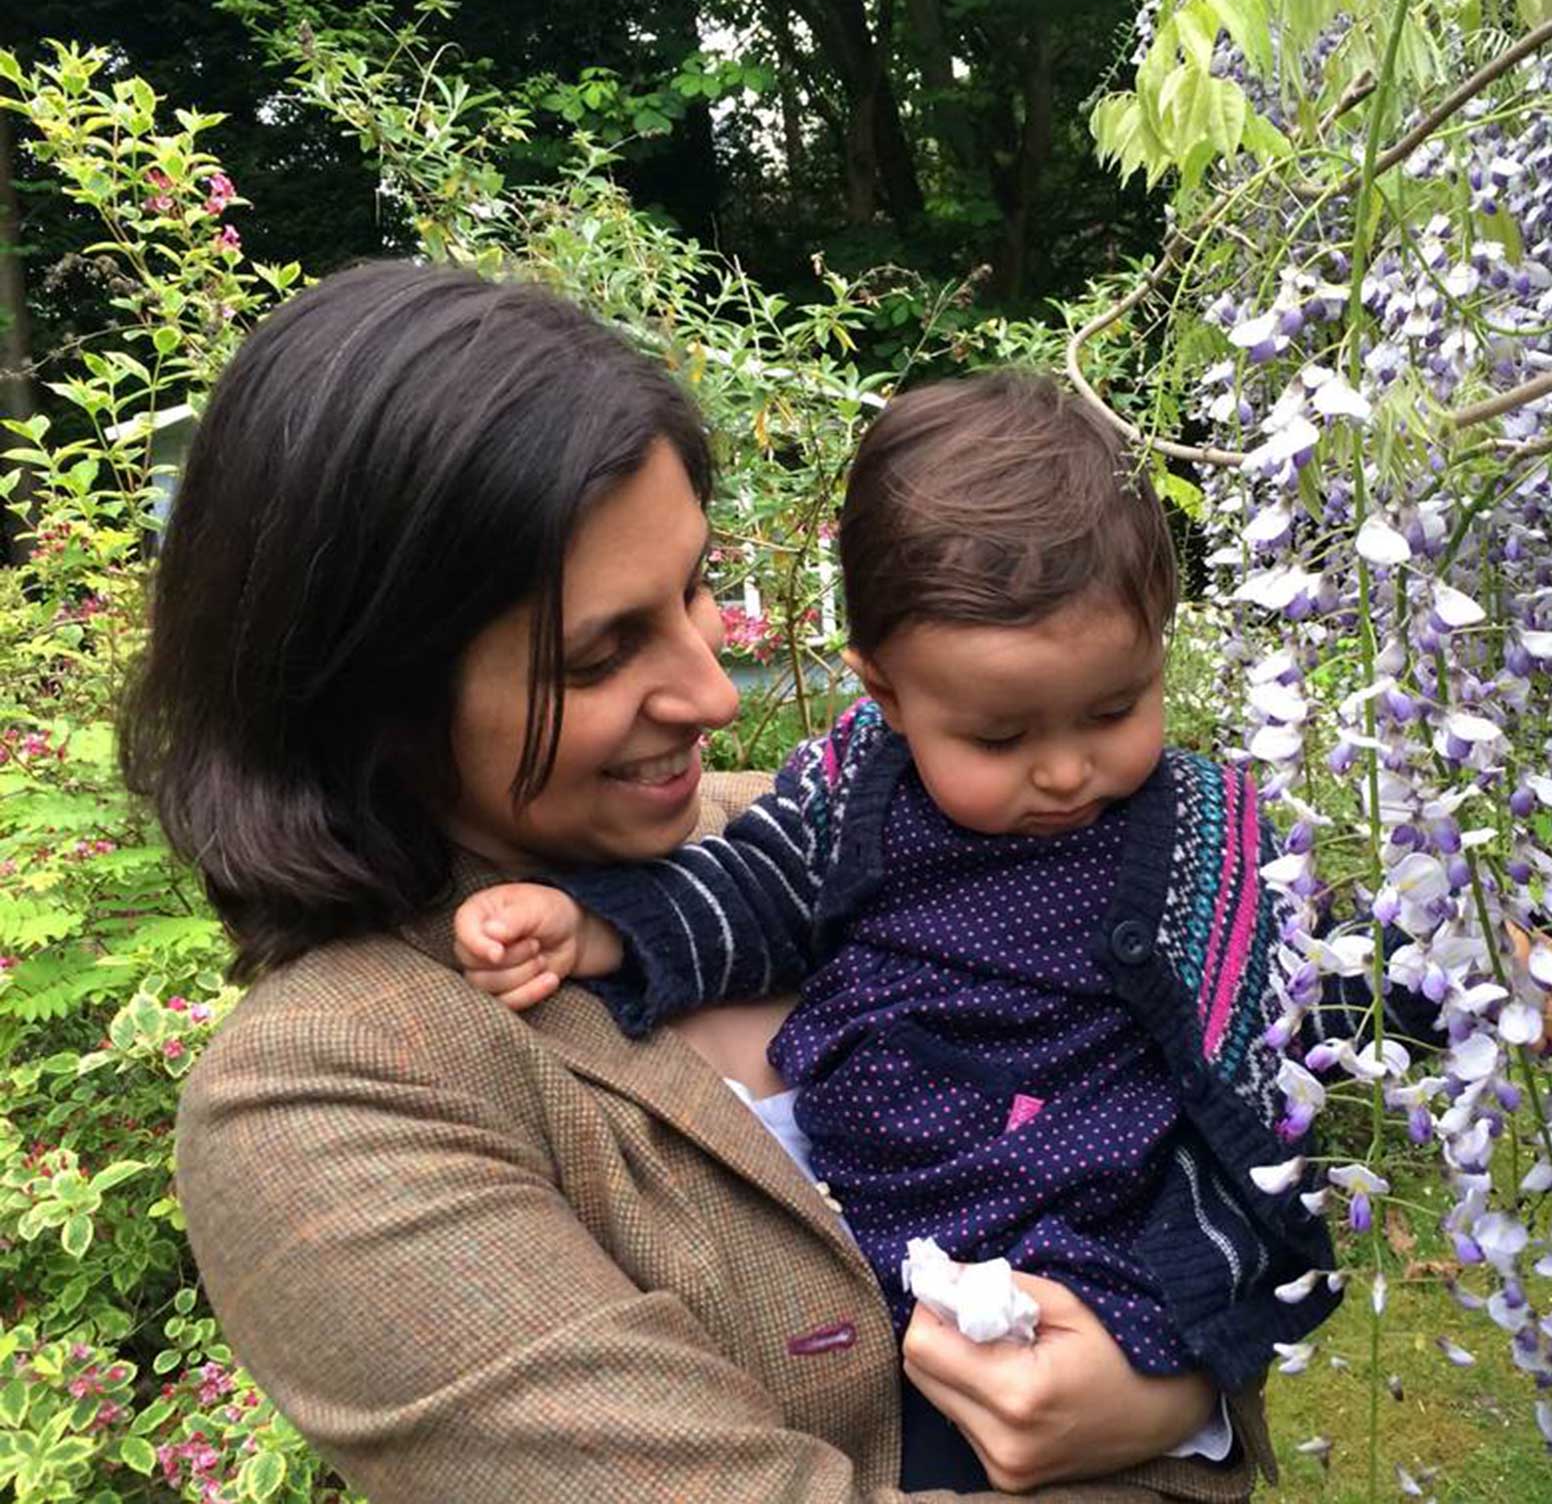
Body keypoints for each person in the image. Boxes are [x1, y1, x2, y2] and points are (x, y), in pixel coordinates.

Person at [128, 262, 1275, 1502]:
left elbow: (1215, 1111)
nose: (715, 696)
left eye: (692, 590)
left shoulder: (834, 831)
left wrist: (1184, 1387)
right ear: (374, 698)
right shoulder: (330, 1094)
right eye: (605, 649)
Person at [450, 373, 1343, 1482]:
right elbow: (748, 893)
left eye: (1114, 709)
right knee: (910, 1417)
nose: (1066, 769)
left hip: (1095, 1219)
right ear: (884, 693)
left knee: (1059, 1406)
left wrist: (1467, 980)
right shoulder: (850, 794)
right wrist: (600, 927)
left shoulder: (1204, 829)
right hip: (886, 1215)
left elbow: (1313, 971)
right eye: (998, 734)